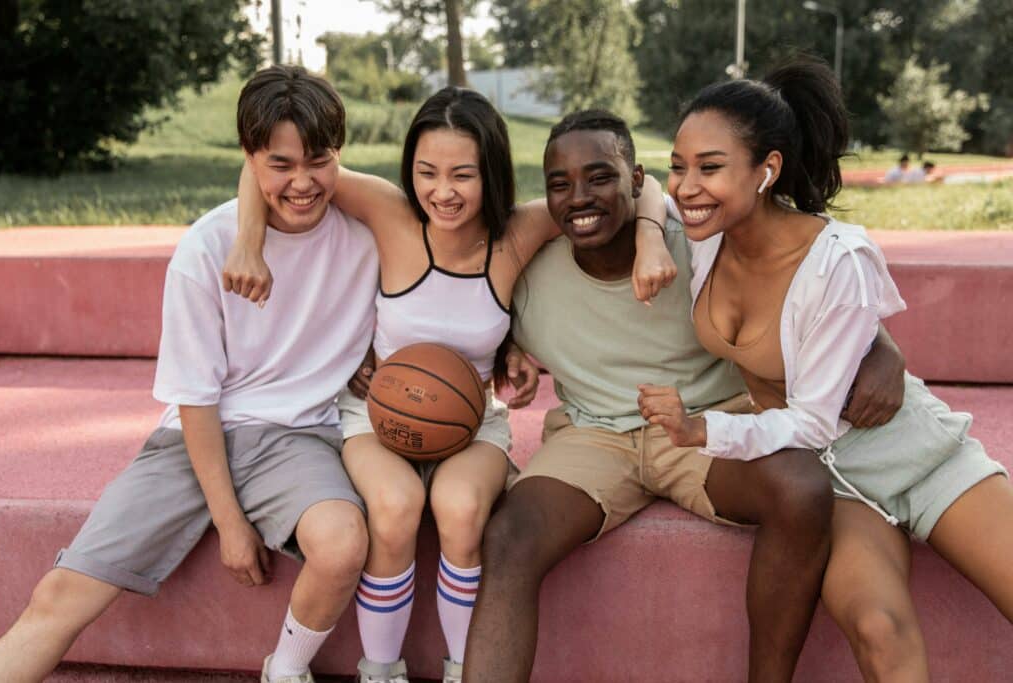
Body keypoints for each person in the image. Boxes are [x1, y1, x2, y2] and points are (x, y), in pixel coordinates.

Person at [222, 88, 675, 683]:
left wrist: (650, 238)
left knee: (461, 511)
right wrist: (248, 245)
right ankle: (380, 671)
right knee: (395, 505)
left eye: (463, 174)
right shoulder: (390, 212)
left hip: (471, 423)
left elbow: (646, 186)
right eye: (427, 172)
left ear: (490, 172)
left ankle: (466, 669)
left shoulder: (518, 233)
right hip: (374, 417)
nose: (443, 191)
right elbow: (265, 165)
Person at [460, 110, 907, 683]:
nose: (579, 197)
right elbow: (463, 319)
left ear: (637, 180)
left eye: (599, 177)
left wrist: (881, 343)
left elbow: (809, 265)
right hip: (593, 437)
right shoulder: (528, 273)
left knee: (799, 487)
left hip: (706, 427)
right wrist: (508, 353)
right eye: (559, 184)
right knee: (510, 534)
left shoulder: (699, 241)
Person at [0, 66, 378, 683]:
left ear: (340, 157)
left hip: (298, 439)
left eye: (320, 161)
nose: (303, 183)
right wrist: (229, 523)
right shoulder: (207, 246)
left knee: (342, 544)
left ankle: (286, 669)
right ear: (249, 159)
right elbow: (196, 399)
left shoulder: (367, 235)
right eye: (280, 165)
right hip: (194, 437)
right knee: (57, 597)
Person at [644, 56, 1013, 681]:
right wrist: (652, 236)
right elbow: (640, 190)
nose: (686, 186)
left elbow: (812, 421)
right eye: (679, 166)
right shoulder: (704, 231)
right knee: (878, 628)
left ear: (768, 171)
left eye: (710, 168)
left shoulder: (837, 258)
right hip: (833, 484)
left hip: (910, 454)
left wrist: (704, 431)